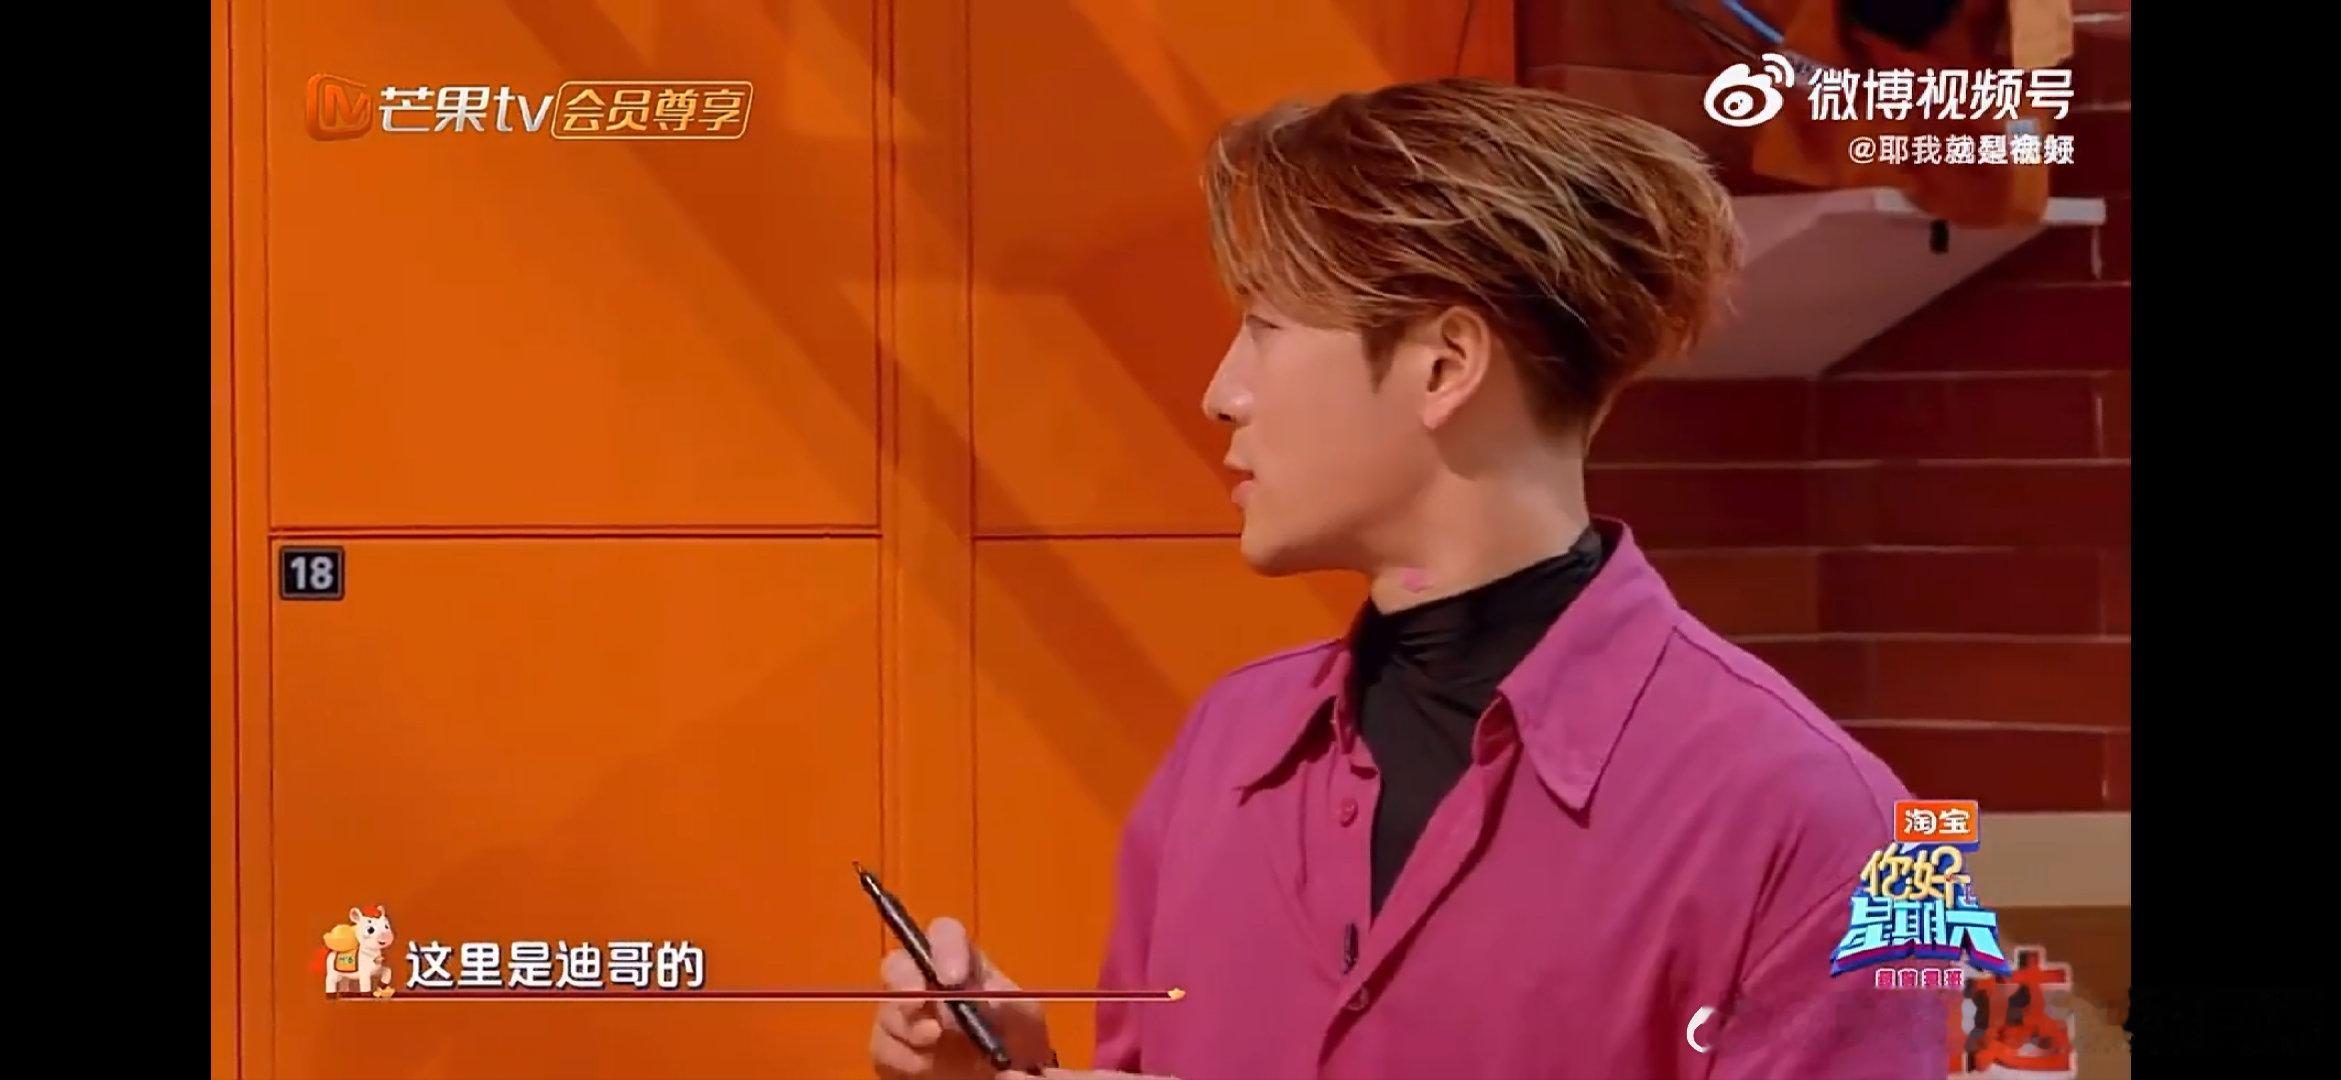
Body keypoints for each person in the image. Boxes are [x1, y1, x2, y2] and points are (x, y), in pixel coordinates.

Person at [870, 76, 1943, 1080]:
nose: (1221, 393)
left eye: (1265, 329)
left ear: (1444, 365)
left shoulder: (1830, 825)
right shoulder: (1226, 749)